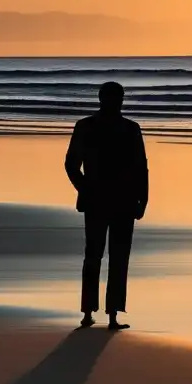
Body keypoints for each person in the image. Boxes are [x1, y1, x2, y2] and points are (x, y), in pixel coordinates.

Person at [64, 81, 148, 330]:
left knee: (98, 255)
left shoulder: (89, 126)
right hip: (116, 200)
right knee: (111, 256)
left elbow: (71, 165)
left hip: (108, 200)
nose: (116, 102)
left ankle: (93, 312)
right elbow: (141, 167)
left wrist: (85, 188)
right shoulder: (126, 128)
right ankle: (106, 314)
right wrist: (143, 198)